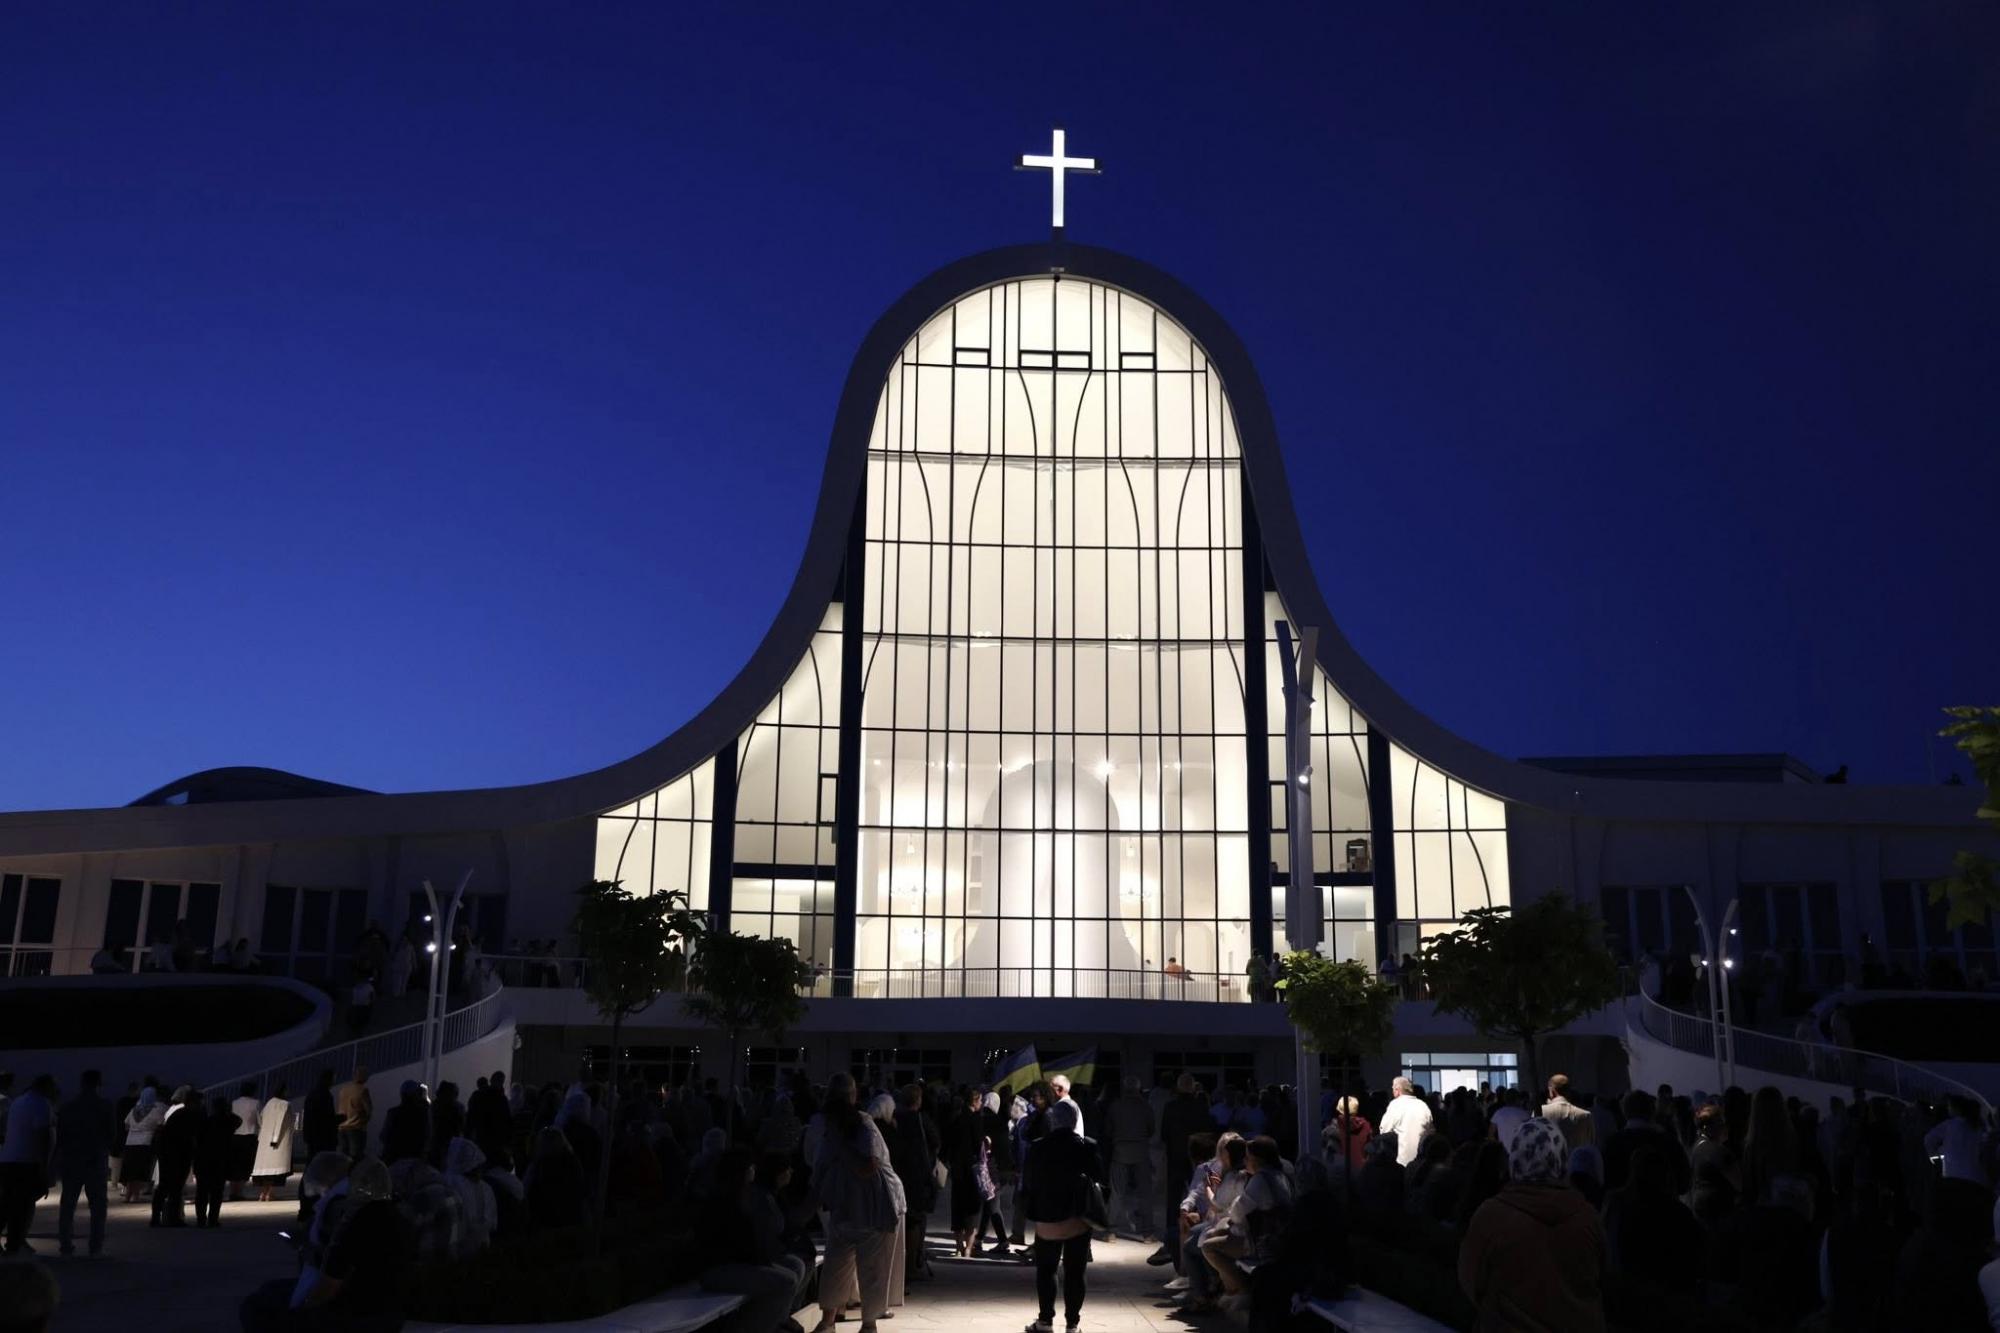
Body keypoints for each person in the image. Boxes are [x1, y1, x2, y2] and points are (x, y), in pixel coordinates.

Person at [1458, 1117, 1605, 1332]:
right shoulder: (1587, 1216)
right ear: (1561, 1160)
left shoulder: (1491, 1216)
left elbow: (1471, 1280)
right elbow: (1601, 1278)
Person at [811, 1074, 899, 1333]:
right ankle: (839, 1322)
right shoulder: (842, 1125)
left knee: (857, 1266)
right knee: (845, 1266)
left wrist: (840, 1146)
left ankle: (858, 1324)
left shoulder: (858, 1124)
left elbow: (868, 1165)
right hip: (853, 1205)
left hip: (870, 1206)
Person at [1023, 1103, 1101, 1333]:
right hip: (1077, 1218)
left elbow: (1029, 1182)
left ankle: (1045, 1321)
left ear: (1052, 1121)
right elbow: (1100, 1177)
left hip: (1047, 1219)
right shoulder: (1087, 1146)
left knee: (1046, 1270)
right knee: (1075, 1272)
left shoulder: (1038, 1147)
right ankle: (1072, 1324)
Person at [55, 1069, 115, 1257]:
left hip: (72, 1160)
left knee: (68, 1205)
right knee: (98, 1207)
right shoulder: (105, 1106)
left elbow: (60, 1136)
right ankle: (95, 1247)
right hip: (95, 1160)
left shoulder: (67, 1107)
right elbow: (112, 1135)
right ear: (99, 1083)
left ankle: (65, 1244)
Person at [0, 1073, 55, 1254]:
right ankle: (14, 1244)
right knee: (23, 1205)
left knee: (7, 1203)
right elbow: (42, 1136)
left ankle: (14, 1243)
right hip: (26, 1161)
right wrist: (44, 1166)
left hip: (8, 1159)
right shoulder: (41, 1104)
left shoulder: (17, 1102)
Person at [152, 1085, 200, 1228]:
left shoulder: (176, 1113)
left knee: (164, 1185)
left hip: (166, 1152)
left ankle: (156, 1217)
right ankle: (172, 1217)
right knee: (176, 1187)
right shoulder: (190, 1114)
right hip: (178, 1154)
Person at [193, 1093, 242, 1227]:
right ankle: (213, 1219)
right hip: (220, 1160)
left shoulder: (206, 1121)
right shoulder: (228, 1122)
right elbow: (239, 1120)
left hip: (203, 1159)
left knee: (202, 1192)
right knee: (217, 1192)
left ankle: (201, 1219)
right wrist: (228, 1112)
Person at [1924, 1095, 1992, 1186]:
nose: (1948, 1109)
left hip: (1953, 1175)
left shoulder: (1949, 1125)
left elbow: (1929, 1139)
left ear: (1956, 1108)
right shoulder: (1979, 1126)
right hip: (1976, 1178)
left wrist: (1933, 1154)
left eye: (1949, 1106)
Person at [120, 1085, 165, 1203]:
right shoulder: (155, 1111)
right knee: (138, 1171)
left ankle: (128, 1196)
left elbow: (126, 1125)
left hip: (130, 1142)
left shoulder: (134, 1110)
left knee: (130, 1171)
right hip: (144, 1142)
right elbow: (161, 1124)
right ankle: (135, 1196)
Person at [252, 1082, 296, 1201]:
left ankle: (263, 1193)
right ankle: (269, 1193)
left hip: (265, 1141)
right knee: (275, 1169)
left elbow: (261, 1120)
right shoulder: (285, 1104)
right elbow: (281, 1122)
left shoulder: (269, 1103)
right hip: (277, 1141)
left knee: (265, 1169)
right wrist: (275, 1138)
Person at [1377, 1077, 1432, 1167]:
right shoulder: (1423, 1105)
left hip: (1402, 1160)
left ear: (1397, 1090)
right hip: (1421, 1160)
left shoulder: (1395, 1105)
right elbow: (1430, 1131)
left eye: (1393, 1088)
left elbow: (1384, 1131)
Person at [1539, 1074, 1594, 1150]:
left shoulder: (1540, 1112)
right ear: (1569, 1091)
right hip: (1576, 1157)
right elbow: (1591, 1145)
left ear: (1552, 1091)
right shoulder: (1586, 1115)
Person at [229, 1080, 262, 1200]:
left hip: (235, 1136)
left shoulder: (234, 1103)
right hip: (249, 1136)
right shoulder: (256, 1103)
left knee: (234, 1165)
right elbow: (260, 1121)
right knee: (245, 1165)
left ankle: (233, 1191)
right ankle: (239, 1192)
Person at [1323, 1094, 1372, 1171]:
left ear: (1338, 1110)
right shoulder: (1366, 1127)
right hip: (1362, 1171)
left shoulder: (1330, 1131)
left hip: (1342, 1172)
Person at [336, 1067, 372, 1160]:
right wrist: (364, 1122)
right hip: (356, 1128)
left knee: (343, 1157)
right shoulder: (363, 1090)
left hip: (342, 1127)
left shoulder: (344, 1089)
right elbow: (368, 1110)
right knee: (356, 1157)